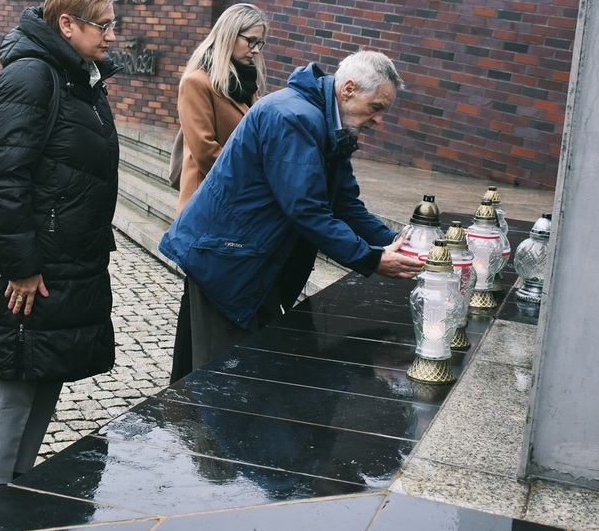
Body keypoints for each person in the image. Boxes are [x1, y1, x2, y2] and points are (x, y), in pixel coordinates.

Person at [159, 50, 425, 371]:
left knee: (225, 373)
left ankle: (186, 417)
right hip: (228, 261)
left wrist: (396, 242)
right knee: (226, 378)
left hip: (244, 256)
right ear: (348, 89)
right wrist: (371, 258)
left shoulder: (329, 124)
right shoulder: (293, 117)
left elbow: (345, 205)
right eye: (376, 108)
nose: (379, 120)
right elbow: (307, 210)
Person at [0, 0, 121, 498]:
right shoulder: (31, 75)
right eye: (102, 24)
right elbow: (1, 178)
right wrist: (21, 265)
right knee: (14, 374)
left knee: (46, 370)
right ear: (66, 23)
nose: (110, 34)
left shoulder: (80, 76)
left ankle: (17, 485)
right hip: (34, 264)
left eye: (111, 22)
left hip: (69, 260)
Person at [169, 3, 269, 383]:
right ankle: (185, 384)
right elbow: (207, 150)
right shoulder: (197, 82)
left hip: (233, 212)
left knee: (201, 304)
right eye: (251, 41)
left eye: (261, 43)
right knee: (196, 301)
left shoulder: (247, 87)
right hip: (207, 208)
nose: (256, 50)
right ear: (230, 35)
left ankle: (187, 383)